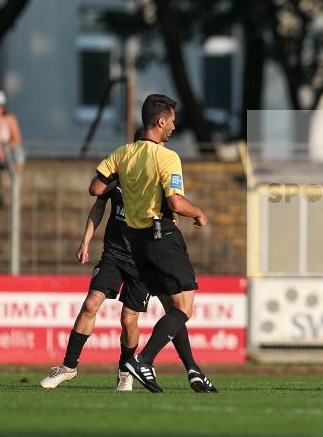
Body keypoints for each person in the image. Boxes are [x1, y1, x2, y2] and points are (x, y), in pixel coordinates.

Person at [40, 131, 217, 393]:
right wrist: (86, 241)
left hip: (141, 254)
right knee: (91, 303)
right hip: (114, 252)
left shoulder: (153, 179)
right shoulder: (118, 175)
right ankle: (68, 367)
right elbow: (97, 201)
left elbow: (172, 208)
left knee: (129, 319)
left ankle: (126, 371)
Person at [89, 94, 208, 393]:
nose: (174, 128)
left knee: (172, 306)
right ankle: (143, 360)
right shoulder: (167, 157)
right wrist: (199, 213)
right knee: (185, 306)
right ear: (161, 121)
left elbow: (97, 188)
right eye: (172, 122)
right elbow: (175, 202)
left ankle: (193, 370)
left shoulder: (124, 152)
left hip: (135, 242)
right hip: (162, 235)